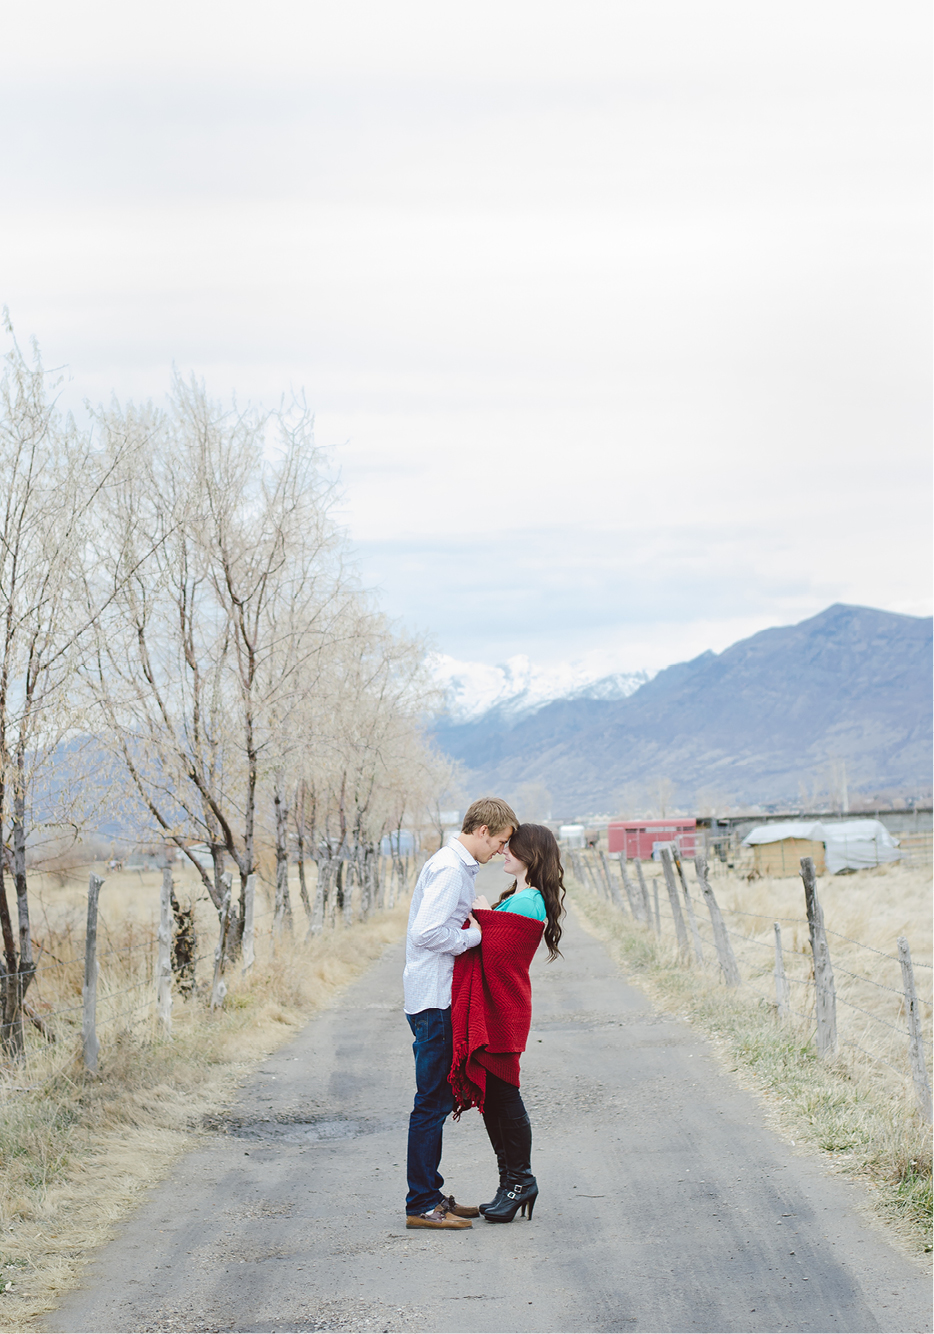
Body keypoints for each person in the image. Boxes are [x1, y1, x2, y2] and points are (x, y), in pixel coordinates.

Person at [402, 796, 518, 1230]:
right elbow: (428, 932)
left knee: (436, 1099)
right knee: (431, 1103)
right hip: (434, 999)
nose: (501, 852)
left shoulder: (455, 866)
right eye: (501, 842)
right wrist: (476, 935)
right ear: (483, 831)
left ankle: (431, 1195)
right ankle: (422, 1206)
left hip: (433, 996)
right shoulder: (451, 869)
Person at [448, 822, 566, 1224]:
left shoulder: (530, 901)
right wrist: (483, 918)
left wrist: (481, 915)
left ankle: (521, 1181)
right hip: (497, 1007)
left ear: (530, 853)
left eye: (511, 847)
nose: (503, 852)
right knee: (495, 1099)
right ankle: (509, 1184)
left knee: (505, 1096)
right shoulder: (515, 897)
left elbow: (497, 958)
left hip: (505, 1008)